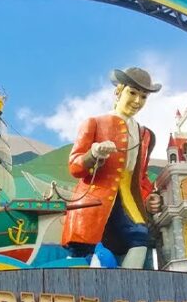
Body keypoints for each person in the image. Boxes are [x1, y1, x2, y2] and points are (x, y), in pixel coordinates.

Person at [61, 67, 164, 269]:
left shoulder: (146, 136)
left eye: (143, 96)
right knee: (85, 248)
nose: (137, 101)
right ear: (118, 91)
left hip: (128, 199)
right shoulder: (94, 123)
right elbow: (75, 166)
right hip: (95, 200)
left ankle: (126, 282)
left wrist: (149, 197)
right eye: (132, 93)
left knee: (140, 236)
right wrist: (94, 154)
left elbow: (140, 176)